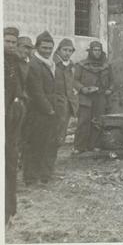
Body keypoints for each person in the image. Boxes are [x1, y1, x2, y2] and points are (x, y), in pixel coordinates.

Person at [22, 31, 58, 185]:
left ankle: (44, 175)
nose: (47, 51)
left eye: (50, 48)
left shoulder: (49, 63)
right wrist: (49, 110)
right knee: (35, 144)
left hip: (49, 109)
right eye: (44, 48)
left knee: (48, 143)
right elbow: (36, 91)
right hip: (38, 111)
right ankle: (31, 178)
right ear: (37, 47)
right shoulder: (34, 64)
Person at [74, 41, 113, 153]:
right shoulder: (81, 65)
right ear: (90, 51)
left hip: (100, 97)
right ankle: (79, 147)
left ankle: (94, 145)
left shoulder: (107, 66)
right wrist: (82, 88)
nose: (97, 52)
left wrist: (110, 89)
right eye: (95, 50)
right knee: (83, 121)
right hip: (86, 97)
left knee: (98, 121)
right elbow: (75, 80)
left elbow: (112, 81)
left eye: (99, 50)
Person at [3, 27, 24, 224]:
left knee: (10, 163)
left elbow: (19, 89)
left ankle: (8, 212)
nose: (10, 45)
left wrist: (17, 101)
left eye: (13, 42)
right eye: (7, 41)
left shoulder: (16, 63)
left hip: (11, 120)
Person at [50, 38, 79, 170]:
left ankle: (51, 164)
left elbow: (72, 83)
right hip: (54, 105)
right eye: (65, 50)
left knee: (60, 136)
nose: (67, 53)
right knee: (51, 135)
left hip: (67, 106)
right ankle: (45, 165)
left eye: (70, 50)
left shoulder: (71, 66)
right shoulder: (53, 64)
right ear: (58, 50)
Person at [16, 36, 34, 169]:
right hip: (16, 102)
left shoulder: (29, 64)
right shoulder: (12, 62)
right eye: (24, 47)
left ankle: (22, 160)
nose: (27, 51)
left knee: (26, 133)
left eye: (29, 48)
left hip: (28, 103)